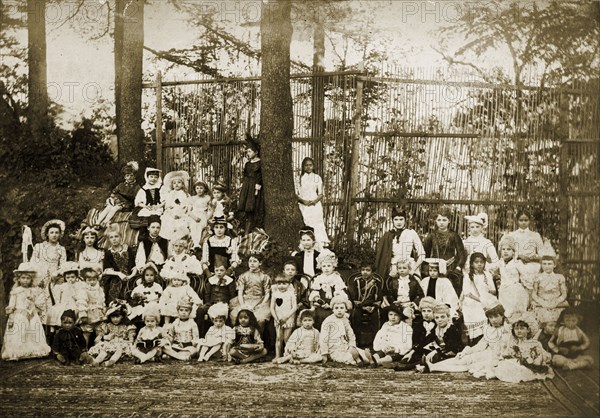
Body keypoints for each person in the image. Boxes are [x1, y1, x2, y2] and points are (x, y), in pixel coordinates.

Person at [426, 301, 510, 378]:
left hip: (498, 356)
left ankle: (434, 367)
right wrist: (465, 352)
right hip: (486, 353)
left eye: (496, 316)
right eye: (491, 317)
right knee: (464, 358)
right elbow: (481, 345)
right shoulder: (489, 329)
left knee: (470, 365)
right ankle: (432, 365)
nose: (493, 320)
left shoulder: (507, 330)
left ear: (502, 316)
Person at [1, 262, 51, 361]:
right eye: (23, 278)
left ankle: (34, 351)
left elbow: (39, 303)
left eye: (28, 278)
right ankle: (18, 352)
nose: (25, 280)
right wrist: (11, 317)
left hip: (32, 313)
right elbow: (12, 305)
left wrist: (34, 307)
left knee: (33, 331)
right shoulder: (16, 291)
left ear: (31, 279)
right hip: (20, 314)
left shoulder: (35, 290)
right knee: (20, 332)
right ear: (18, 279)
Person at [501, 210, 550, 294]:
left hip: (532, 262)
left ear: (530, 221)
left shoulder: (535, 235)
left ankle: (532, 298)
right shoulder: (512, 235)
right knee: (514, 270)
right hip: (516, 261)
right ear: (517, 221)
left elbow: (541, 252)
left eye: (526, 220)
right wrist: (519, 256)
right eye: (521, 220)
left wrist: (533, 258)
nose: (523, 223)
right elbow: (507, 251)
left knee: (533, 269)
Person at [423, 206, 467, 295]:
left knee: (450, 292)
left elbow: (462, 253)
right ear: (435, 221)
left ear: (449, 221)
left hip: (450, 268)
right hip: (434, 268)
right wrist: (426, 267)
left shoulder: (454, 235)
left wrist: (458, 268)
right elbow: (424, 253)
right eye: (439, 220)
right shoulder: (431, 236)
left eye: (444, 220)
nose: (441, 223)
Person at [32, 219, 67, 327]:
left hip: (54, 281)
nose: (54, 235)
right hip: (40, 280)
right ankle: (39, 331)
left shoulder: (61, 249)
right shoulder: (39, 247)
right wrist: (38, 278)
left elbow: (63, 265)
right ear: (47, 234)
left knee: (53, 305)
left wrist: (57, 274)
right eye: (52, 232)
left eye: (57, 232)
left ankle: (51, 332)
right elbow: (33, 262)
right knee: (39, 304)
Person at [375, 207, 425, 279]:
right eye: (396, 219)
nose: (399, 222)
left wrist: (413, 269)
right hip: (393, 267)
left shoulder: (411, 233)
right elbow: (383, 255)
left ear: (405, 220)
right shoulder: (388, 235)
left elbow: (422, 254)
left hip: (409, 266)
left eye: (401, 219)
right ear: (392, 220)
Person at [460, 252, 497, 345]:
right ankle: (475, 340)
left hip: (486, 299)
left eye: (481, 262)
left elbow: (493, 290)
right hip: (472, 301)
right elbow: (467, 292)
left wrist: (488, 292)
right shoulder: (468, 276)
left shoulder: (487, 274)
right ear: (472, 264)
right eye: (476, 262)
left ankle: (485, 338)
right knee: (476, 310)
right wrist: (480, 300)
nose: (479, 264)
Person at [320, 295, 368, 365]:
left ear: (346, 309)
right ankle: (356, 360)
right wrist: (324, 353)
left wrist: (352, 345)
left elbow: (350, 334)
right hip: (333, 349)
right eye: (336, 308)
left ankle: (363, 357)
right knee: (348, 358)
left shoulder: (345, 320)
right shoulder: (328, 321)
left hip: (345, 346)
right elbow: (323, 338)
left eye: (342, 308)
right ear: (332, 309)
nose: (339, 310)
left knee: (362, 353)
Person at [415, 304, 464, 372]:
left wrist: (436, 351)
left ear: (448, 317)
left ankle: (420, 366)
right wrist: (413, 351)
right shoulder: (436, 329)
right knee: (420, 354)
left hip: (451, 353)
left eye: (442, 317)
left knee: (434, 358)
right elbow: (426, 341)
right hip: (440, 352)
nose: (439, 320)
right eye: (437, 318)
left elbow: (452, 348)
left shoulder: (452, 329)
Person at [229, 254, 271, 330]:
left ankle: (257, 338)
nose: (252, 263)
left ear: (260, 263)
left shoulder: (265, 277)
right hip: (245, 300)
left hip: (259, 301)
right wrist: (243, 305)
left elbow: (267, 293)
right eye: (250, 261)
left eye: (255, 261)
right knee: (235, 315)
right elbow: (240, 293)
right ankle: (238, 337)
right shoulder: (243, 276)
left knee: (259, 318)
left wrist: (261, 305)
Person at [196, 258, 236, 336]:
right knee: (200, 310)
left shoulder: (229, 281)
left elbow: (232, 295)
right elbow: (207, 294)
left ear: (225, 271)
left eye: (221, 270)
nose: (219, 273)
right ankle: (201, 334)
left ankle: (226, 334)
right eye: (217, 270)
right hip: (212, 303)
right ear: (214, 271)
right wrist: (207, 305)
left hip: (224, 303)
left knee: (225, 312)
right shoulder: (211, 280)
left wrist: (230, 305)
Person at [347, 262, 384, 348]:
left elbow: (379, 297)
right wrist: (362, 306)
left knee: (376, 317)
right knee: (355, 315)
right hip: (359, 305)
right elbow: (354, 296)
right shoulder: (356, 281)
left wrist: (373, 307)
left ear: (372, 272)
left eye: (368, 270)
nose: (365, 272)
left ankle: (374, 342)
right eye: (363, 270)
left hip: (372, 306)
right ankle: (357, 340)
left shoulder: (376, 282)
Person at [309, 249, 348, 329]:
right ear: (320, 267)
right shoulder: (318, 279)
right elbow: (315, 293)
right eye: (324, 266)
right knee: (319, 315)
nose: (326, 268)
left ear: (333, 267)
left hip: (334, 304)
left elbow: (339, 294)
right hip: (321, 303)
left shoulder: (337, 278)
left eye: (329, 266)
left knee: (335, 315)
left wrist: (331, 304)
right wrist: (320, 301)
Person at [89, 301, 136, 366]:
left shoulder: (127, 326)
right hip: (110, 343)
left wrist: (130, 341)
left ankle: (110, 362)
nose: (115, 319)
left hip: (122, 343)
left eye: (117, 317)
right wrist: (105, 337)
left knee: (119, 351)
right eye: (113, 317)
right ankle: (97, 360)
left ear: (122, 316)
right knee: (104, 350)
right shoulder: (108, 325)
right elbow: (100, 335)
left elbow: (131, 336)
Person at [296, 157, 329, 248]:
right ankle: (307, 244)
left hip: (315, 205)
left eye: (310, 165)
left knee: (317, 223)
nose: (308, 167)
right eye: (306, 165)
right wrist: (303, 201)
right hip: (304, 204)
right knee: (308, 223)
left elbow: (321, 194)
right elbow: (296, 194)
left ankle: (320, 245)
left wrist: (314, 201)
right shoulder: (299, 178)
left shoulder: (317, 177)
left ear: (313, 166)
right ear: (303, 167)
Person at [95, 161, 141, 227]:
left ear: (134, 176)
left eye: (131, 175)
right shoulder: (121, 185)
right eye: (127, 176)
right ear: (124, 177)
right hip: (117, 201)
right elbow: (114, 192)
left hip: (127, 204)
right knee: (109, 207)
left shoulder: (137, 187)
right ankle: (97, 222)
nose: (129, 177)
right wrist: (113, 199)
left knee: (114, 208)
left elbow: (137, 198)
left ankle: (105, 222)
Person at [46, 262, 83, 338]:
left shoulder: (79, 285)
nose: (70, 279)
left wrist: (73, 292)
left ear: (76, 277)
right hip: (63, 304)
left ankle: (73, 331)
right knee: (54, 311)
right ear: (65, 278)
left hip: (74, 303)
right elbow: (57, 297)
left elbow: (80, 296)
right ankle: (52, 332)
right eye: (68, 277)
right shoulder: (63, 286)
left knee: (74, 312)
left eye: (72, 277)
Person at [495, 236, 529, 318]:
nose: (505, 251)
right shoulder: (500, 263)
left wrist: (526, 288)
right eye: (503, 249)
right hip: (503, 291)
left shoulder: (517, 263)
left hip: (515, 292)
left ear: (513, 252)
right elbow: (491, 268)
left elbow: (526, 276)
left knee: (514, 313)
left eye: (508, 249)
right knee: (504, 312)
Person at [237, 133, 264, 236]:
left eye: (250, 151)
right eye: (247, 151)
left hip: (254, 186)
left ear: (256, 152)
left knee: (251, 207)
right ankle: (242, 228)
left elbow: (260, 175)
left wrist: (257, 187)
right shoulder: (247, 163)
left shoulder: (259, 163)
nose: (248, 153)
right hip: (247, 185)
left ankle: (249, 229)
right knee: (243, 206)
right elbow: (245, 174)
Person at [102, 224, 137, 302]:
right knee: (114, 287)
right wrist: (119, 274)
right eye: (111, 237)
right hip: (116, 278)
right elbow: (107, 269)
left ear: (121, 237)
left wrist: (130, 276)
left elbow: (133, 266)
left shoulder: (128, 249)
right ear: (109, 240)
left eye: (116, 236)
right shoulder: (109, 252)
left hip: (130, 277)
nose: (114, 239)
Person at [531, 255, 569, 324]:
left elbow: (564, 294)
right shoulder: (537, 277)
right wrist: (542, 303)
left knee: (557, 323)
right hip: (542, 303)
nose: (547, 266)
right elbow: (534, 294)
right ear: (541, 265)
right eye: (544, 264)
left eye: (549, 264)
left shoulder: (560, 277)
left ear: (554, 265)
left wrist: (556, 302)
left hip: (557, 304)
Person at [162, 296, 201, 361]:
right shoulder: (175, 323)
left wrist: (185, 344)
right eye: (181, 310)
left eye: (186, 310)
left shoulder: (193, 324)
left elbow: (196, 339)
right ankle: (180, 356)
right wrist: (168, 339)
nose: (183, 312)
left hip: (188, 346)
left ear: (190, 312)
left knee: (192, 351)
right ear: (178, 311)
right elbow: (171, 336)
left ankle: (175, 355)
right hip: (176, 346)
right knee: (164, 347)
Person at [76, 267, 107, 346]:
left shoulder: (99, 289)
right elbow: (81, 301)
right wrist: (83, 313)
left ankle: (98, 347)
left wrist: (104, 309)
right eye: (89, 280)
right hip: (89, 313)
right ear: (85, 280)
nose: (92, 282)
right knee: (86, 331)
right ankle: (84, 348)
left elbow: (102, 300)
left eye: (94, 280)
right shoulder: (83, 290)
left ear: (97, 279)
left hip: (98, 313)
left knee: (99, 330)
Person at [270, 275, 298, 362]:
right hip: (278, 318)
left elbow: (294, 307)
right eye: (279, 284)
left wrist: (286, 317)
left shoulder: (291, 294)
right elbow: (272, 308)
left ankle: (288, 355)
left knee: (287, 338)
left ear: (289, 284)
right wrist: (276, 318)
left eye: (284, 283)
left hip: (288, 318)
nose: (281, 286)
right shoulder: (275, 294)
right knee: (278, 337)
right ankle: (277, 355)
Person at [159, 170, 191, 241]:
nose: (176, 184)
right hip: (171, 212)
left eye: (179, 182)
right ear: (172, 185)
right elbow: (167, 205)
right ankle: (168, 239)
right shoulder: (170, 194)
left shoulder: (185, 194)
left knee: (181, 224)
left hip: (181, 212)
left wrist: (180, 213)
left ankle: (178, 238)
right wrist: (171, 211)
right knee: (168, 222)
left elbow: (186, 205)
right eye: (174, 183)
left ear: (183, 184)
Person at [188, 180, 213, 250]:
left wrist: (207, 218)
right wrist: (194, 217)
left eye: (201, 188)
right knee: (193, 225)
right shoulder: (192, 198)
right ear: (195, 189)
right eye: (197, 188)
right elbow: (189, 211)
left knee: (199, 225)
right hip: (193, 215)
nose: (199, 190)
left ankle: (197, 243)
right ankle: (195, 244)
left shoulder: (207, 198)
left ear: (205, 189)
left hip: (203, 215)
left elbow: (210, 210)